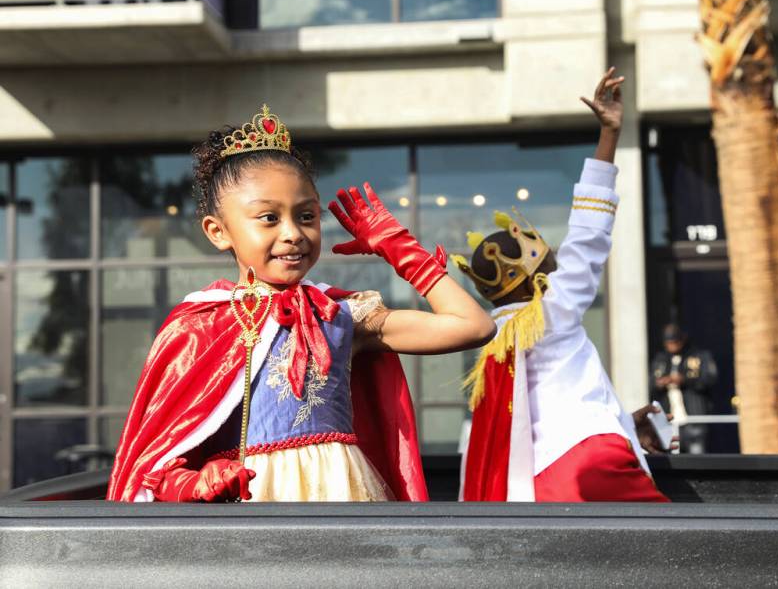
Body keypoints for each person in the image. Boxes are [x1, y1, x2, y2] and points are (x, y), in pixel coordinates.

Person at [107, 105, 495, 502]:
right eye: (269, 218)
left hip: (343, 494)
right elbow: (157, 462)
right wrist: (194, 482)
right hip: (255, 500)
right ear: (218, 231)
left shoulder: (342, 315)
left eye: (307, 215)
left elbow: (472, 326)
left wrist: (402, 251)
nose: (293, 233)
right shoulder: (198, 329)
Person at [453, 69, 673, 502]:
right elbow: (589, 235)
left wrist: (628, 424)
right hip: (591, 462)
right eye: (549, 255)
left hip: (540, 482)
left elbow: (548, 415)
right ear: (541, 277)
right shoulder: (550, 313)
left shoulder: (494, 337)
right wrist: (609, 135)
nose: (556, 255)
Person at [650, 323, 718, 454]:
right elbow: (651, 383)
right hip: (669, 420)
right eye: (669, 343)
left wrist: (684, 380)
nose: (672, 346)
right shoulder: (661, 360)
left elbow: (709, 378)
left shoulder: (698, 356)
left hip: (693, 418)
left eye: (675, 342)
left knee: (696, 457)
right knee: (672, 458)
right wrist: (661, 383)